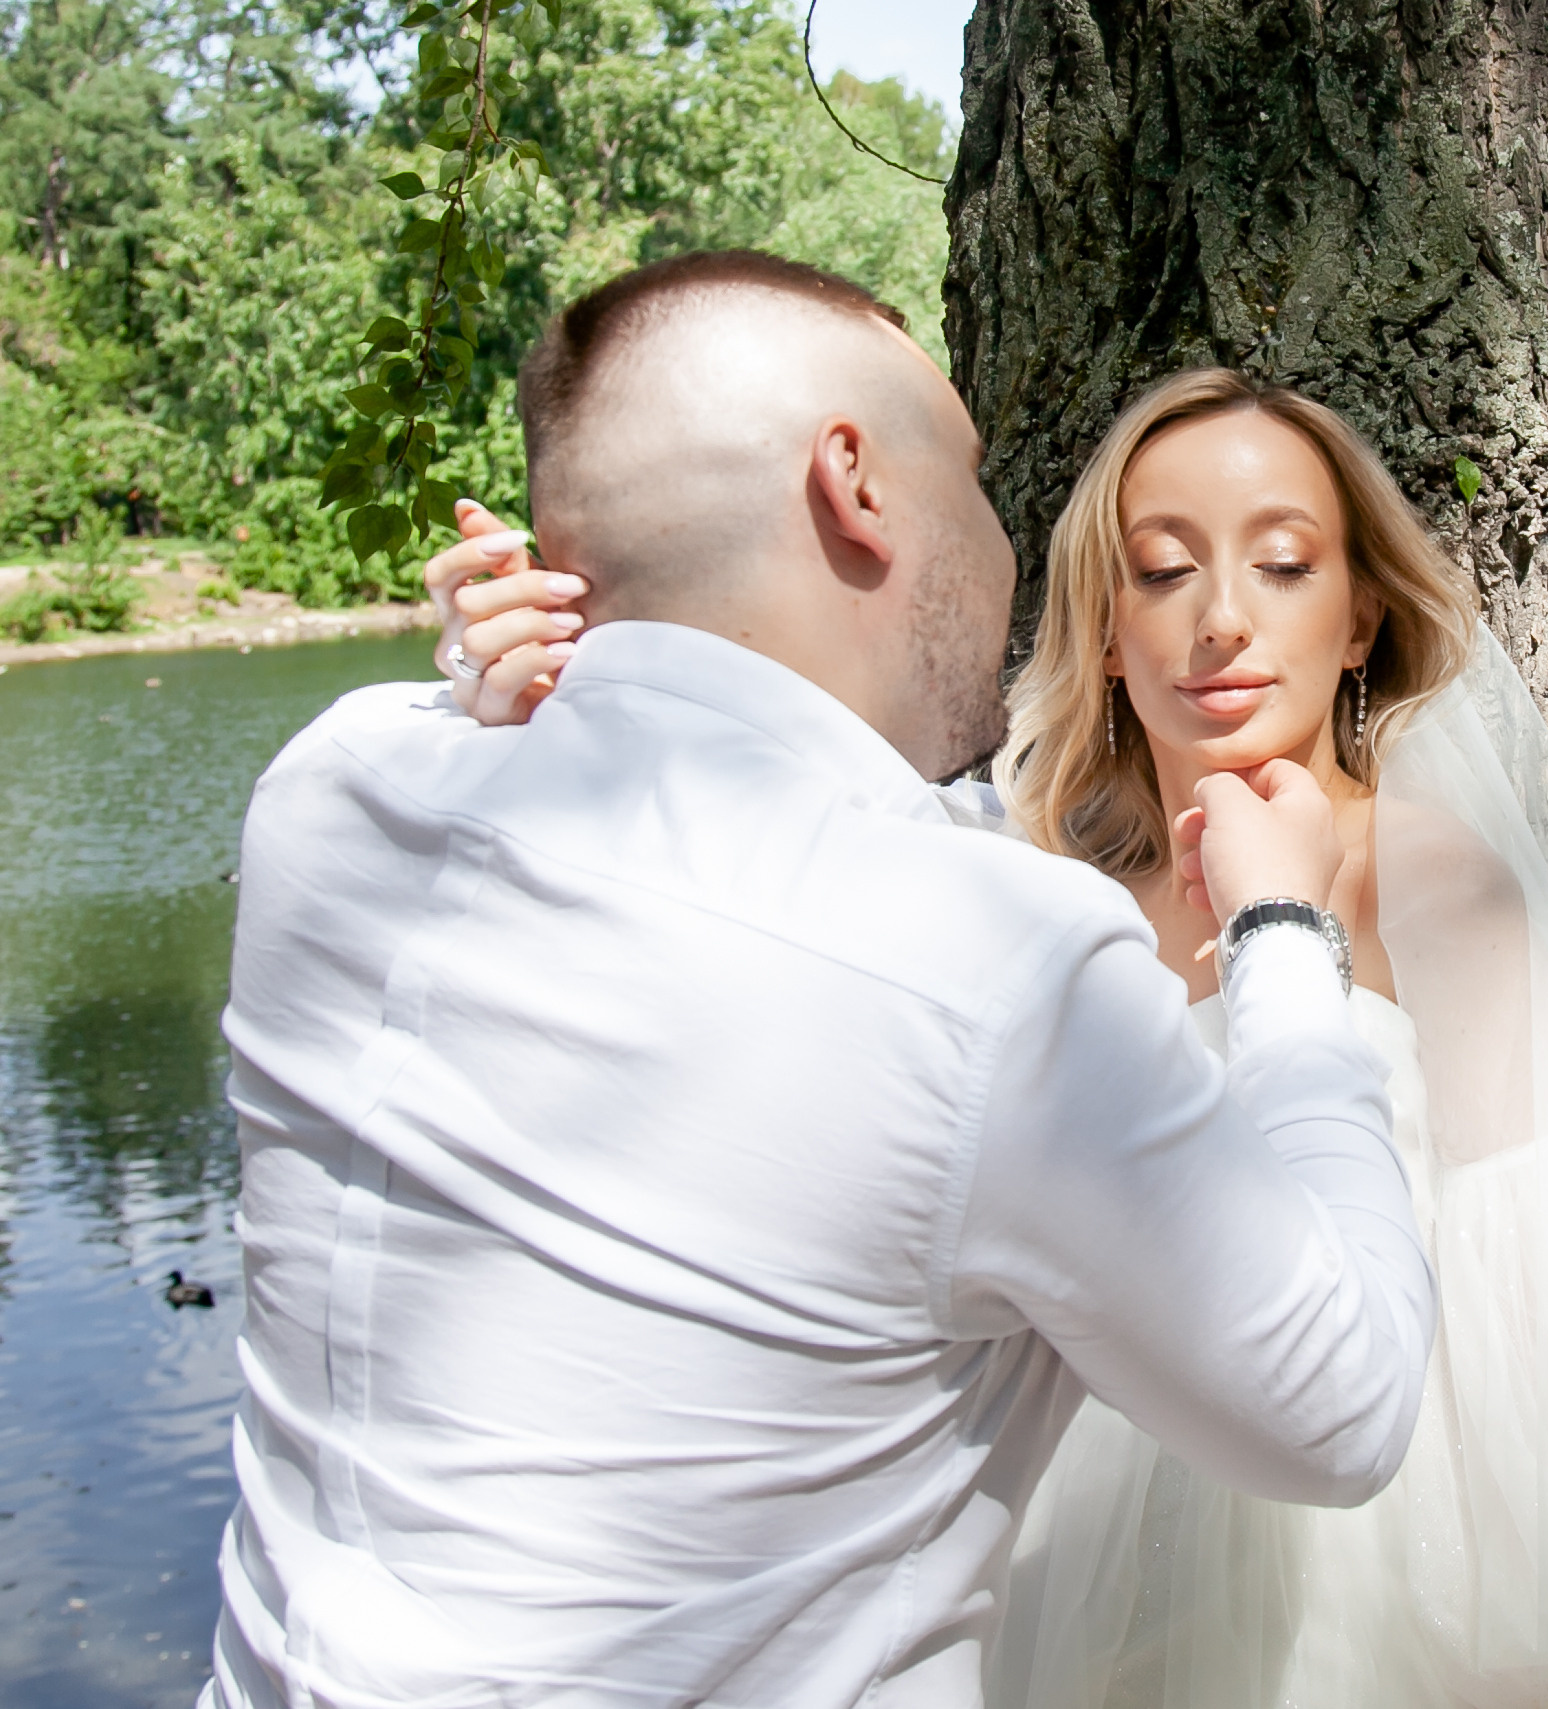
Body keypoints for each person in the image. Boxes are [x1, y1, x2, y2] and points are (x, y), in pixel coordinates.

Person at [439, 362, 1548, 1708]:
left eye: (1282, 564)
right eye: (1162, 569)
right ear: (1106, 626)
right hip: (1057, 1563)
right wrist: (555, 725)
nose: (1220, 617)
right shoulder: (1011, 884)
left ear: (1359, 621)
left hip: (1386, 1570)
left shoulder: (1433, 878)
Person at [205, 251, 1438, 1709]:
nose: (1010, 549)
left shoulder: (330, 790)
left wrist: (499, 721)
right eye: (976, 478)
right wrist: (1286, 937)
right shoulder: (1000, 967)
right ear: (854, 484)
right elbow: (1341, 1410)